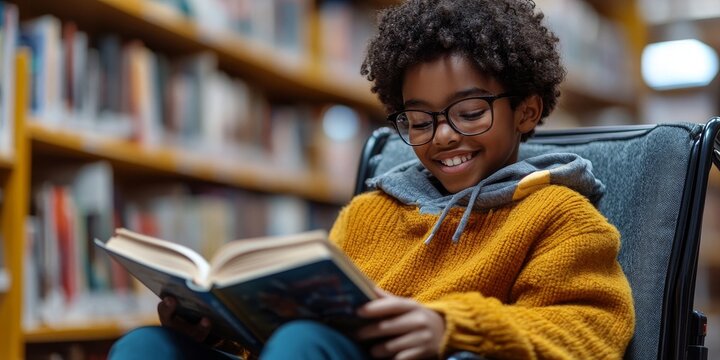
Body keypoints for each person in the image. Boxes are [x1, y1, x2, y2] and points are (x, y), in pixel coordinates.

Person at [108, 0, 635, 359]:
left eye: (470, 113)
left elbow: (593, 331)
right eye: (420, 120)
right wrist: (220, 328)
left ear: (527, 110)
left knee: (304, 342)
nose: (444, 136)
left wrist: (449, 327)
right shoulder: (368, 214)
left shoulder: (564, 219)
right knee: (146, 347)